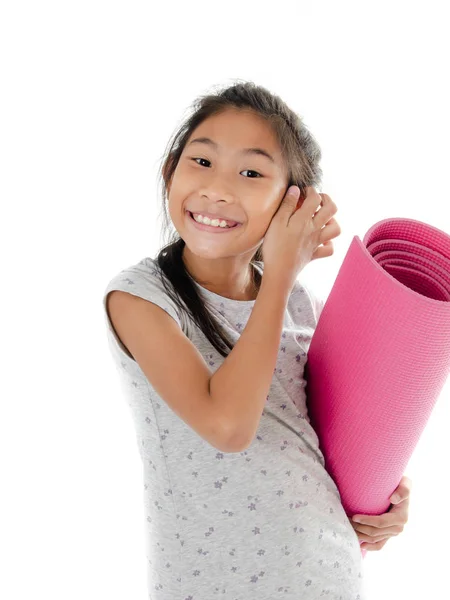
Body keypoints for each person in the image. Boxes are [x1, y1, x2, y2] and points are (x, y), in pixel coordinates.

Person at [102, 81, 367, 599]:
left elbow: (323, 447)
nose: (218, 189)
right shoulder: (140, 299)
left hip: (326, 572)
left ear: (293, 205)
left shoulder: (297, 304)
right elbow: (227, 427)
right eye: (201, 162)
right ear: (169, 173)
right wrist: (284, 271)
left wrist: (379, 501)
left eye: (251, 172)